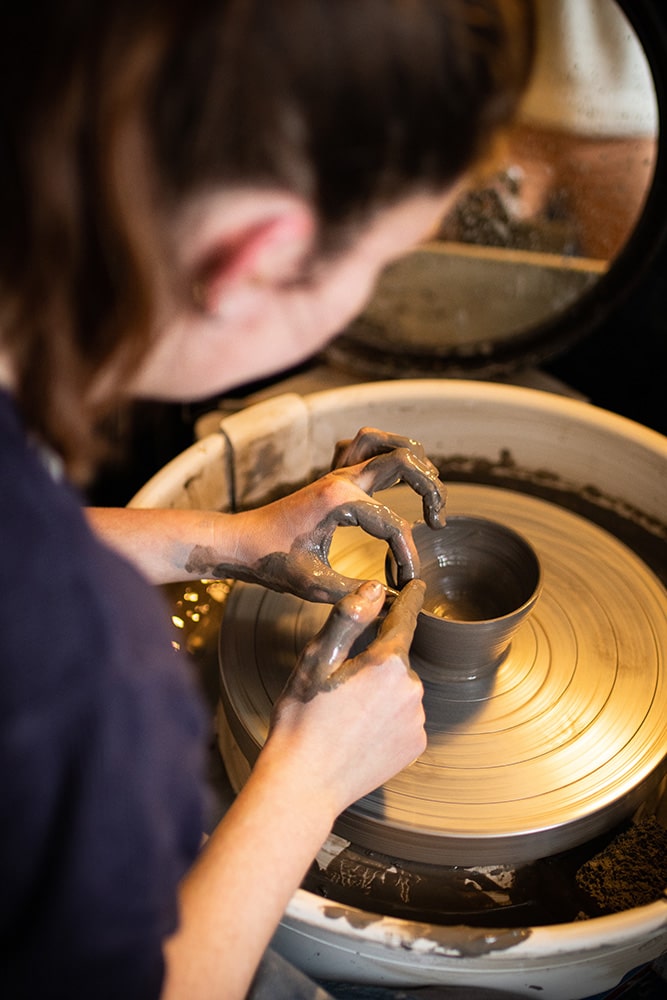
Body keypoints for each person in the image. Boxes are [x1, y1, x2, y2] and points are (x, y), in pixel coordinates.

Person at [0, 3, 534, 998]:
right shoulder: (88, 667)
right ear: (255, 259)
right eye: (379, 265)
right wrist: (308, 779)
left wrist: (219, 540)